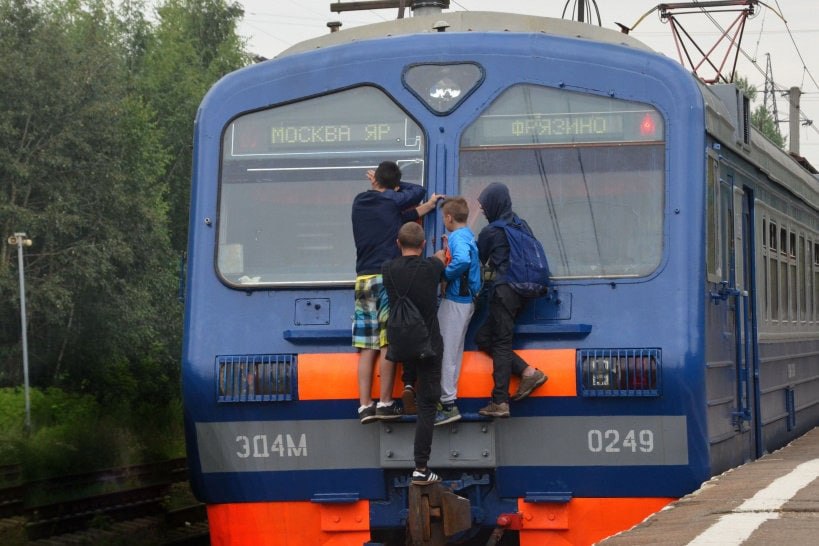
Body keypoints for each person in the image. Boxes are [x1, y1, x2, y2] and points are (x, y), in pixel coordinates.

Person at [352, 161, 442, 424]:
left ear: (375, 180)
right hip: (385, 279)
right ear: (393, 186)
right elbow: (418, 191)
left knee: (365, 347)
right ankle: (385, 403)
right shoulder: (392, 200)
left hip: (362, 280)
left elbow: (403, 215)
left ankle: (364, 406)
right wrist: (395, 186)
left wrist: (383, 184)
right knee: (386, 343)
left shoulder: (359, 202)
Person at [475, 182, 548, 418]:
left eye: (484, 205)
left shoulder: (491, 231)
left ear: (493, 204)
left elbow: (477, 259)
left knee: (501, 343)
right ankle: (528, 373)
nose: (482, 210)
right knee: (483, 338)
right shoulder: (521, 224)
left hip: (504, 291)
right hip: (524, 292)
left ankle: (500, 401)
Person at [382, 222, 447, 485]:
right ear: (423, 245)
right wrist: (441, 253)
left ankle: (407, 384)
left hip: (401, 342)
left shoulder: (388, 269)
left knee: (410, 361)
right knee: (428, 405)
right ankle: (421, 468)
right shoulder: (431, 267)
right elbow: (441, 262)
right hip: (428, 344)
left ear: (398, 244)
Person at [434, 198, 482, 426]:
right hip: (466, 300)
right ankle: (448, 399)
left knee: (445, 351)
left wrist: (444, 274)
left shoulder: (457, 238)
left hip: (455, 300)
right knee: (454, 351)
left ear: (449, 218)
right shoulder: (468, 235)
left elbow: (462, 259)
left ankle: (447, 404)